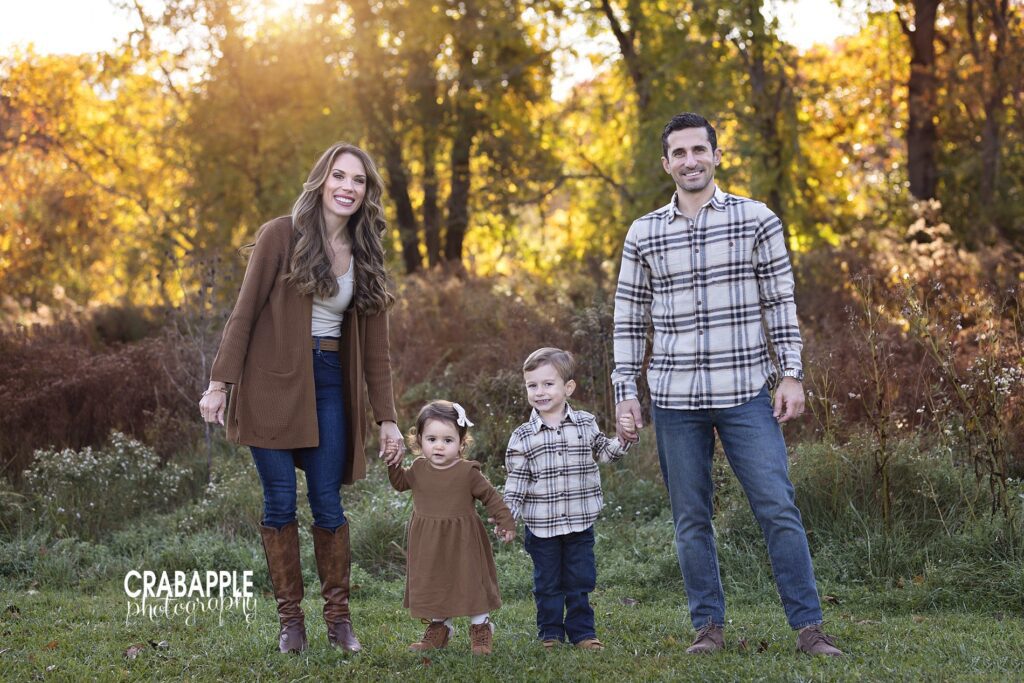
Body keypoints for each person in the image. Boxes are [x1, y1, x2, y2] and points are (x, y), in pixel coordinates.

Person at [611, 113, 843, 657]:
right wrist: (625, 390)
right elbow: (627, 318)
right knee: (691, 518)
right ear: (665, 163)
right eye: (679, 153)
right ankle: (708, 628)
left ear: (716, 155)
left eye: (699, 150)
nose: (690, 160)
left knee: (776, 506)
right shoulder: (644, 231)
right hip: (674, 400)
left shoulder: (756, 219)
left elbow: (780, 301)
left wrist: (791, 374)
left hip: (744, 394)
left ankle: (810, 628)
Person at [198, 142, 405, 654]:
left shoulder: (367, 251)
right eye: (339, 176)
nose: (347, 187)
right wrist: (219, 384)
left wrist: (388, 419)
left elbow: (376, 351)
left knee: (328, 504)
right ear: (321, 179)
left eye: (358, 181)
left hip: (331, 381)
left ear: (367, 192)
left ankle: (339, 621)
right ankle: (291, 623)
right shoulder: (280, 235)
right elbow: (243, 314)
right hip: (269, 382)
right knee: (279, 502)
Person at [502, 347, 631, 651]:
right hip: (541, 525)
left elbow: (605, 452)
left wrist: (624, 438)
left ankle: (583, 632)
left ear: (567, 387)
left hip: (579, 520)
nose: (540, 392)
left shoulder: (585, 423)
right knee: (547, 583)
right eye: (533, 385)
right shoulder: (522, 436)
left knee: (579, 580)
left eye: (548, 384)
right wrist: (507, 516)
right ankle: (550, 633)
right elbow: (516, 482)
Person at [384, 400, 515, 656]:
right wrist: (393, 462)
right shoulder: (419, 468)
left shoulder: (468, 472)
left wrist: (505, 521)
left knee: (470, 581)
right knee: (435, 582)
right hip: (428, 542)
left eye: (448, 440)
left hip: (463, 541)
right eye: (432, 439)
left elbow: (491, 497)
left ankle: (481, 627)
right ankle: (440, 627)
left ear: (461, 443)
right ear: (419, 440)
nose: (439, 446)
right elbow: (400, 483)